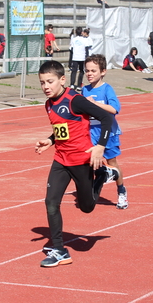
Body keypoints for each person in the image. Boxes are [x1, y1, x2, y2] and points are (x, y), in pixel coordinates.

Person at [34, 60, 118, 267]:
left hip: (82, 160)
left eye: (50, 82)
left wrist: (100, 147)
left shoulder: (75, 100)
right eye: (42, 82)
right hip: (61, 160)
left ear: (62, 80)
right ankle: (60, 250)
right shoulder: (48, 104)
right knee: (51, 203)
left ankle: (102, 176)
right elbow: (63, 128)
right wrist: (50, 140)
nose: (46, 87)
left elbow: (107, 118)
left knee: (87, 208)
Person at [83, 54, 127, 209]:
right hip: (91, 133)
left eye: (93, 71)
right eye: (87, 70)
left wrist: (94, 104)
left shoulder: (107, 89)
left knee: (112, 162)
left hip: (108, 133)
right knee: (89, 162)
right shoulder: (85, 90)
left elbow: (114, 109)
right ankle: (92, 190)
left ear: (103, 72)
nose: (89, 74)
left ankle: (121, 191)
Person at [69, 27, 88, 91]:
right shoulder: (85, 40)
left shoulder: (73, 39)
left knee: (74, 71)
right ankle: (79, 85)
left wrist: (70, 60)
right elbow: (87, 49)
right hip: (82, 57)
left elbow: (71, 49)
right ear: (81, 32)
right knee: (81, 71)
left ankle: (72, 84)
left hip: (75, 57)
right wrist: (87, 58)